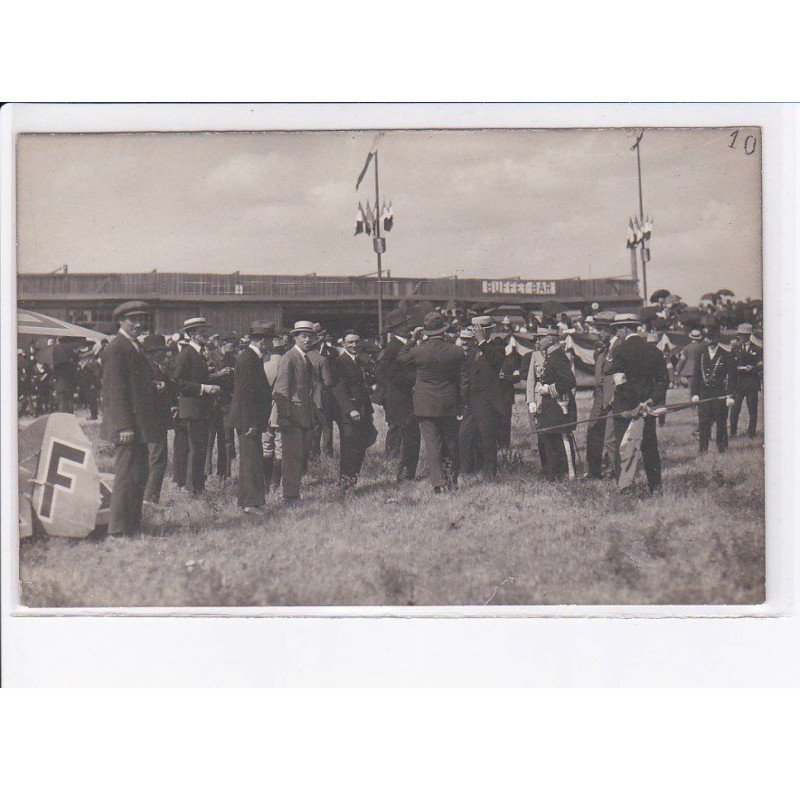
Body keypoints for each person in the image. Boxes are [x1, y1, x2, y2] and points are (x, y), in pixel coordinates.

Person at [100, 301, 161, 535]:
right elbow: (115, 390)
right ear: (120, 322)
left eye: (141, 319)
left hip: (139, 424)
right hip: (128, 426)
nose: (138, 324)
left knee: (138, 474)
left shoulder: (134, 346)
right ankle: (118, 531)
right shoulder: (117, 348)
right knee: (126, 477)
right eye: (132, 320)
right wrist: (124, 425)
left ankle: (132, 527)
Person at [397, 312, 465, 494]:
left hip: (425, 403)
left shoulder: (419, 351)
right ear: (444, 330)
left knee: (432, 444)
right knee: (451, 442)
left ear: (426, 331)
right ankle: (452, 480)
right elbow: (461, 376)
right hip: (449, 402)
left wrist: (412, 339)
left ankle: (437, 483)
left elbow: (401, 357)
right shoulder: (456, 351)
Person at [608, 312, 669, 492]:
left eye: (617, 329)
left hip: (625, 409)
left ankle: (625, 487)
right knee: (649, 448)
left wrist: (634, 403)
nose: (617, 333)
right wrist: (648, 400)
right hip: (647, 408)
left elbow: (620, 382)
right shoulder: (654, 351)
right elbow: (663, 381)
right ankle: (655, 487)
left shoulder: (618, 351)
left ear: (625, 328)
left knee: (623, 447)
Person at [172, 317, 221, 495]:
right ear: (192, 334)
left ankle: (196, 485)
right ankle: (194, 489)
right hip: (192, 409)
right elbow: (177, 382)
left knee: (199, 448)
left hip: (199, 408)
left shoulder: (199, 354)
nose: (206, 335)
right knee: (196, 449)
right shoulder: (186, 355)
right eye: (202, 332)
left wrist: (211, 382)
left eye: (206, 331)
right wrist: (203, 388)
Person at [229, 322, 274, 513]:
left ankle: (248, 501)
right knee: (251, 461)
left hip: (250, 419)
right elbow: (245, 393)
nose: (270, 345)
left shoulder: (250, 357)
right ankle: (252, 504)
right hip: (248, 420)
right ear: (263, 341)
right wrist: (251, 422)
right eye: (269, 341)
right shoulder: (249, 359)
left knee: (250, 460)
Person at [272, 321, 317, 503]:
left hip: (303, 415)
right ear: (295, 337)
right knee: (291, 457)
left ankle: (293, 492)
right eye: (303, 336)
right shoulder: (289, 358)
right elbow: (281, 390)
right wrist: (284, 416)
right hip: (291, 417)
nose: (307, 339)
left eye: (309, 336)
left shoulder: (305, 358)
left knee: (298, 456)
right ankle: (290, 495)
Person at [459, 317, 506, 480]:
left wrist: (482, 341)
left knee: (487, 439)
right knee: (464, 435)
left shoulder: (497, 346)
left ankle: (489, 475)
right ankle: (466, 471)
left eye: (477, 330)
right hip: (472, 401)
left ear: (487, 330)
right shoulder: (473, 350)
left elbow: (496, 361)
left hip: (488, 402)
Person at [330, 331, 378, 490]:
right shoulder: (339, 362)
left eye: (356, 342)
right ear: (343, 343)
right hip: (350, 414)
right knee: (350, 449)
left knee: (360, 448)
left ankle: (352, 484)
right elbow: (338, 389)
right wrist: (350, 410)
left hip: (363, 412)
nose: (354, 345)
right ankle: (344, 486)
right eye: (350, 342)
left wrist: (368, 413)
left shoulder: (359, 361)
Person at [381, 308, 421, 482]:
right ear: (395, 328)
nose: (408, 326)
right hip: (402, 399)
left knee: (411, 436)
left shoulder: (401, 344)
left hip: (404, 398)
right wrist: (416, 380)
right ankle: (405, 475)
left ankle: (407, 473)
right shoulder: (394, 347)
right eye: (404, 324)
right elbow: (393, 376)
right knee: (410, 436)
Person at [533, 331, 578, 480]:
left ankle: (566, 473)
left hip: (559, 405)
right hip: (551, 406)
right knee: (550, 439)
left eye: (541, 337)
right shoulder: (550, 355)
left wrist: (549, 389)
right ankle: (554, 474)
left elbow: (569, 381)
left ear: (550, 339)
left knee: (560, 439)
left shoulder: (557, 356)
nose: (538, 340)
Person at [142, 334, 177, 505]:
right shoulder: (148, 368)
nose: (165, 354)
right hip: (153, 420)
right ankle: (150, 499)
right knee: (158, 459)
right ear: (152, 352)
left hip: (157, 419)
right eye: (161, 351)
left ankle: (149, 496)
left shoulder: (157, 367)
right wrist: (157, 387)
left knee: (156, 458)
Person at [691, 322, 735, 454]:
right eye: (708, 338)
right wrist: (694, 393)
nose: (710, 341)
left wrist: (730, 395)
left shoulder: (726, 354)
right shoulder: (701, 354)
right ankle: (703, 450)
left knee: (721, 422)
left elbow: (732, 377)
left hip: (719, 394)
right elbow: (696, 375)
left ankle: (722, 449)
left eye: (713, 337)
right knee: (703, 423)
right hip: (704, 394)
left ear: (717, 338)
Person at [584, 322, 616, 479]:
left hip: (611, 398)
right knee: (593, 431)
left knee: (611, 436)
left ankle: (614, 470)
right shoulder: (601, 351)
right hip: (599, 397)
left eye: (603, 329)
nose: (599, 333)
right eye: (598, 329)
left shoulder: (617, 349)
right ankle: (593, 471)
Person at [205, 336, 237, 479]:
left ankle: (224, 473)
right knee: (209, 439)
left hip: (226, 403)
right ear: (224, 344)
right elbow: (204, 377)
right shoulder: (210, 356)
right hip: (211, 403)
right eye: (232, 345)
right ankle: (206, 471)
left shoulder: (233, 358)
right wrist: (219, 374)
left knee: (226, 439)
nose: (234, 348)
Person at [730, 322, 762, 437]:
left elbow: (760, 366)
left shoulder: (758, 349)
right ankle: (733, 433)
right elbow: (731, 368)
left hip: (751, 382)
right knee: (735, 409)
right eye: (740, 334)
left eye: (744, 334)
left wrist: (753, 368)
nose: (741, 337)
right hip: (738, 383)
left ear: (749, 335)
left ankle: (751, 433)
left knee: (752, 409)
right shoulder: (735, 349)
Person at [51, 337, 79, 413]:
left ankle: (64, 418)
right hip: (70, 381)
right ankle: (70, 417)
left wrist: (54, 378)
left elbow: (55, 370)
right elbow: (76, 363)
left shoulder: (56, 350)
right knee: (70, 400)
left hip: (60, 381)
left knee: (62, 401)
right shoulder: (70, 351)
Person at [77, 343, 102, 420]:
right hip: (87, 385)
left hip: (92, 385)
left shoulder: (94, 364)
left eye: (86, 357)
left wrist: (94, 384)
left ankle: (94, 415)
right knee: (90, 399)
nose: (84, 359)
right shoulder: (85, 364)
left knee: (93, 400)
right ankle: (93, 414)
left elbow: (97, 375)